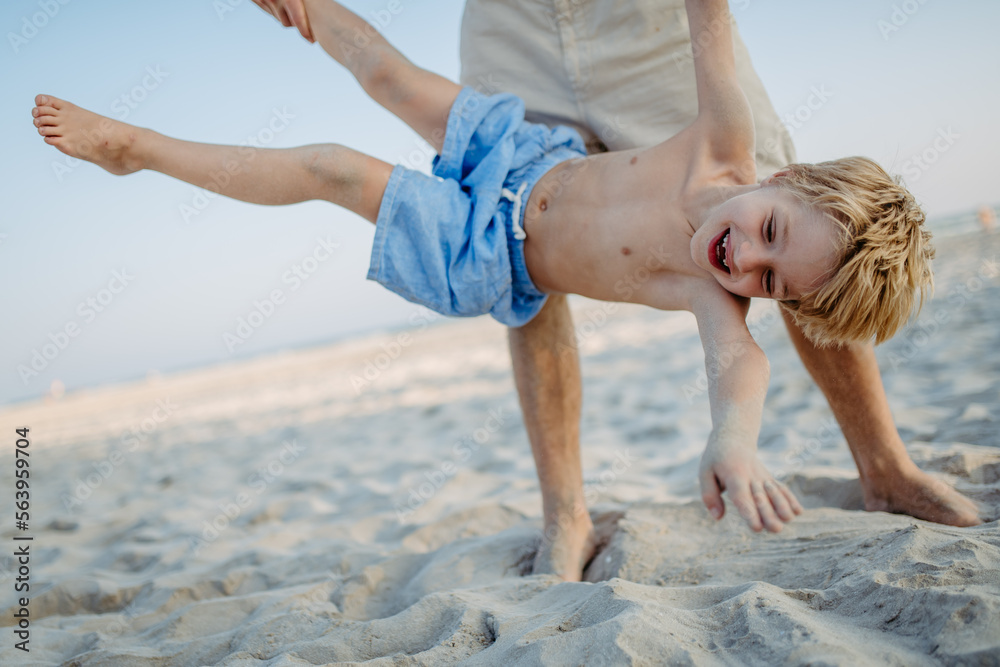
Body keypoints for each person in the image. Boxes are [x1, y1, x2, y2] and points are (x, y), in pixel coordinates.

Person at [33, 0, 979, 584]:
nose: (746, 263)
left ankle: (140, 152)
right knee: (390, 74)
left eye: (772, 281)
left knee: (331, 166)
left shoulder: (710, 292)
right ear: (791, 176)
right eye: (770, 232)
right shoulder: (725, 143)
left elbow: (740, 370)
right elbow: (711, 20)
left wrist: (732, 447)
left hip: (490, 249)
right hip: (526, 155)